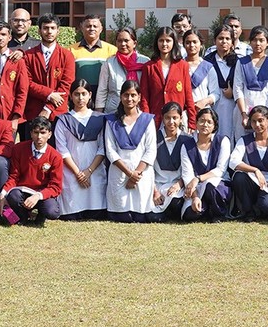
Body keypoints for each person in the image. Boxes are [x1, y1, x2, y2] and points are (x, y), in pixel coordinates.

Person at [51, 79, 108, 218]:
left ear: (90, 95)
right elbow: (62, 150)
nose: (80, 98)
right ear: (71, 96)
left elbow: (102, 148)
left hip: (94, 170)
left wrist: (89, 171)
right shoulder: (63, 120)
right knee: (71, 214)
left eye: (84, 94)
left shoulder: (100, 119)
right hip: (71, 172)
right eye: (76, 94)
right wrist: (78, 173)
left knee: (96, 212)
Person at [104, 80, 159, 221]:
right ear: (121, 97)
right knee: (122, 216)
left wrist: (135, 176)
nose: (129, 99)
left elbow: (151, 150)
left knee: (140, 216)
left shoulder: (147, 120)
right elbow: (110, 151)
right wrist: (129, 174)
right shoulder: (112, 121)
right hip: (119, 173)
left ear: (139, 97)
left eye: (133, 95)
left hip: (141, 175)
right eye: (126, 95)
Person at [0, 119, 64, 226]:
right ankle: (22, 217)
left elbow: (55, 187)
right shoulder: (19, 149)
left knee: (52, 211)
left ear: (49, 134)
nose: (39, 137)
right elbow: (14, 176)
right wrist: (3, 194)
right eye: (36, 132)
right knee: (13, 196)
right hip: (22, 191)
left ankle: (41, 216)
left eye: (43, 133)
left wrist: (38, 195)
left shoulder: (56, 156)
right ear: (31, 133)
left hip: (41, 194)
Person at [14, 15, 76, 124]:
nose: (49, 31)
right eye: (46, 28)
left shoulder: (67, 55)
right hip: (34, 113)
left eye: (53, 28)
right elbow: (27, 83)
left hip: (57, 113)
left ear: (58, 31)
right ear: (39, 31)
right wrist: (49, 94)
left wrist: (48, 108)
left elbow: (66, 85)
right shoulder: (28, 55)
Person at [229, 105, 268, 220]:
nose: (257, 125)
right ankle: (248, 211)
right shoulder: (245, 140)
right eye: (254, 121)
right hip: (253, 180)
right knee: (239, 177)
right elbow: (233, 161)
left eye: (260, 120)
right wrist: (255, 170)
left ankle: (259, 207)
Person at [182, 106, 232, 221]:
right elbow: (187, 174)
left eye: (209, 122)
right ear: (196, 123)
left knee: (211, 186)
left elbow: (220, 170)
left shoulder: (222, 141)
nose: (205, 125)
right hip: (196, 187)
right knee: (191, 214)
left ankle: (218, 214)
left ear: (215, 125)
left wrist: (198, 178)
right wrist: (195, 196)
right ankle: (205, 208)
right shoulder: (187, 145)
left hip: (218, 184)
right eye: (202, 121)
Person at [150, 103, 193, 219]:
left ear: (181, 118)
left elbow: (190, 169)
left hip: (178, 185)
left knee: (176, 204)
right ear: (162, 118)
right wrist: (154, 191)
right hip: (157, 185)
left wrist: (179, 184)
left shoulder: (187, 139)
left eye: (175, 118)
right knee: (151, 215)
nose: (171, 122)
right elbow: (148, 167)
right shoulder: (154, 138)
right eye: (167, 118)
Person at [94, 24, 144, 115]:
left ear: (134, 43)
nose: (123, 44)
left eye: (126, 41)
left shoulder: (144, 62)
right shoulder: (109, 63)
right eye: (119, 41)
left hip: (138, 112)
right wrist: (99, 112)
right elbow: (102, 89)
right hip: (113, 112)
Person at [68, 13, 118, 99]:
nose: (92, 29)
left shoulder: (112, 50)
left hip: (104, 98)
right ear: (82, 28)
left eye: (95, 26)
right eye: (88, 26)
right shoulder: (70, 50)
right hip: (80, 98)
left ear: (101, 29)